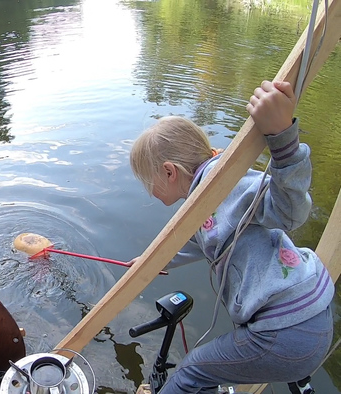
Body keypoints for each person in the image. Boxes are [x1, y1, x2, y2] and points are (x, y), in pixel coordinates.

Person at [128, 80, 334, 393]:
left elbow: (289, 211)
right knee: (206, 372)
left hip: (288, 326)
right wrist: (150, 261)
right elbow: (192, 242)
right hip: (310, 317)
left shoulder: (221, 183)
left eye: (148, 183)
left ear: (169, 172)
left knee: (191, 373)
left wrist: (283, 139)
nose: (149, 192)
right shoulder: (202, 204)